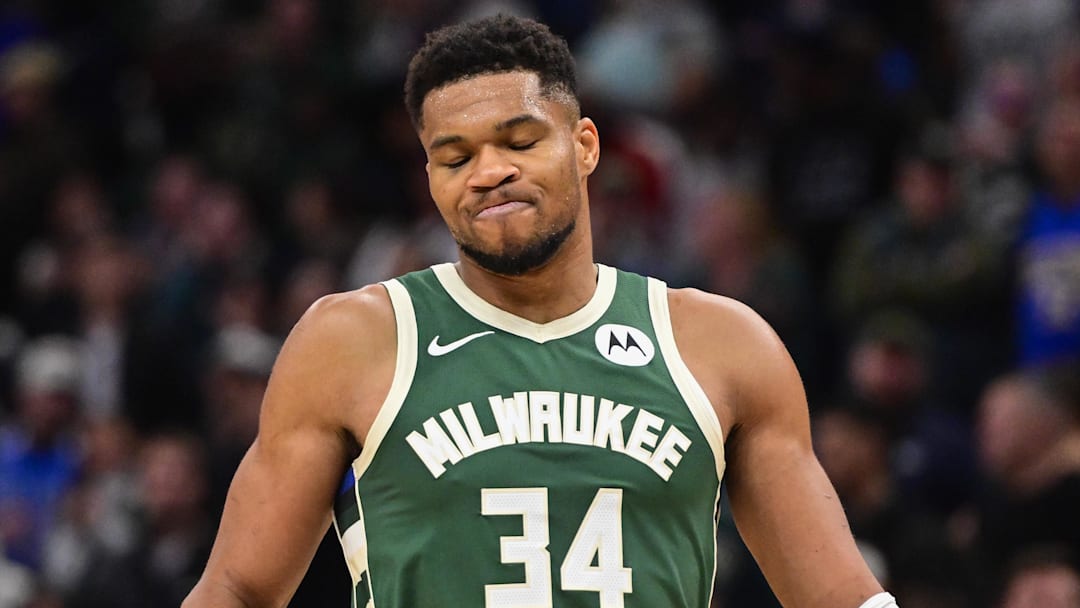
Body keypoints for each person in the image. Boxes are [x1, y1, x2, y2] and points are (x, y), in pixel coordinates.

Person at [183, 14, 895, 608]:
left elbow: (842, 598)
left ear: (584, 146)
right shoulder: (355, 341)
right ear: (429, 177)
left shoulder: (718, 344)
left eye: (519, 142)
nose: (490, 171)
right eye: (454, 157)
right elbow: (239, 589)